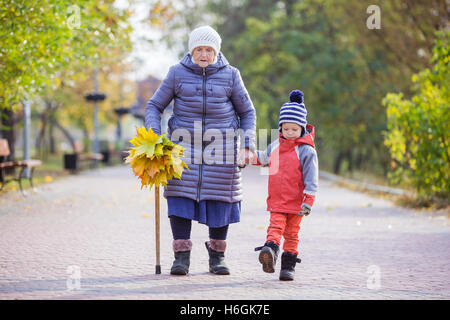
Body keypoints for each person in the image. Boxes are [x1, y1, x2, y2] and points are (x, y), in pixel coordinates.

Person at [145, 25, 256, 276]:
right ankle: (181, 258)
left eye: (209, 50)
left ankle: (217, 258)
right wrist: (154, 138)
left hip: (222, 147)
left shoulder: (231, 75)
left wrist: (248, 145)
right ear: (191, 51)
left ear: (217, 51)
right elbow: (154, 106)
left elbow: (247, 112)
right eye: (199, 50)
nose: (204, 54)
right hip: (183, 148)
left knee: (220, 200)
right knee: (180, 198)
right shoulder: (176, 73)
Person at [253, 90, 318, 281]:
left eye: (294, 129)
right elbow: (263, 158)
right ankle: (270, 250)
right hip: (278, 200)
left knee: (292, 234)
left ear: (302, 129)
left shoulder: (307, 151)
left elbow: (312, 177)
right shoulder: (275, 145)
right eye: (286, 129)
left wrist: (309, 200)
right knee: (275, 227)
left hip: (297, 203)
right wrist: (246, 157)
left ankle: (288, 267)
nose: (289, 133)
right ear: (281, 127)